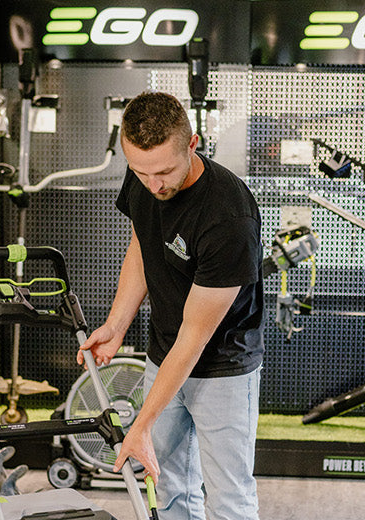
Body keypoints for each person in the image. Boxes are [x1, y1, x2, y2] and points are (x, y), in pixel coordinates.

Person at [78, 91, 263, 520]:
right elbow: (143, 246)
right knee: (168, 485)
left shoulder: (228, 217)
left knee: (229, 498)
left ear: (193, 144)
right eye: (142, 173)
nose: (154, 184)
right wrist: (117, 323)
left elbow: (195, 337)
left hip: (223, 367)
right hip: (164, 353)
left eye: (164, 171)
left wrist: (141, 423)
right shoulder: (145, 174)